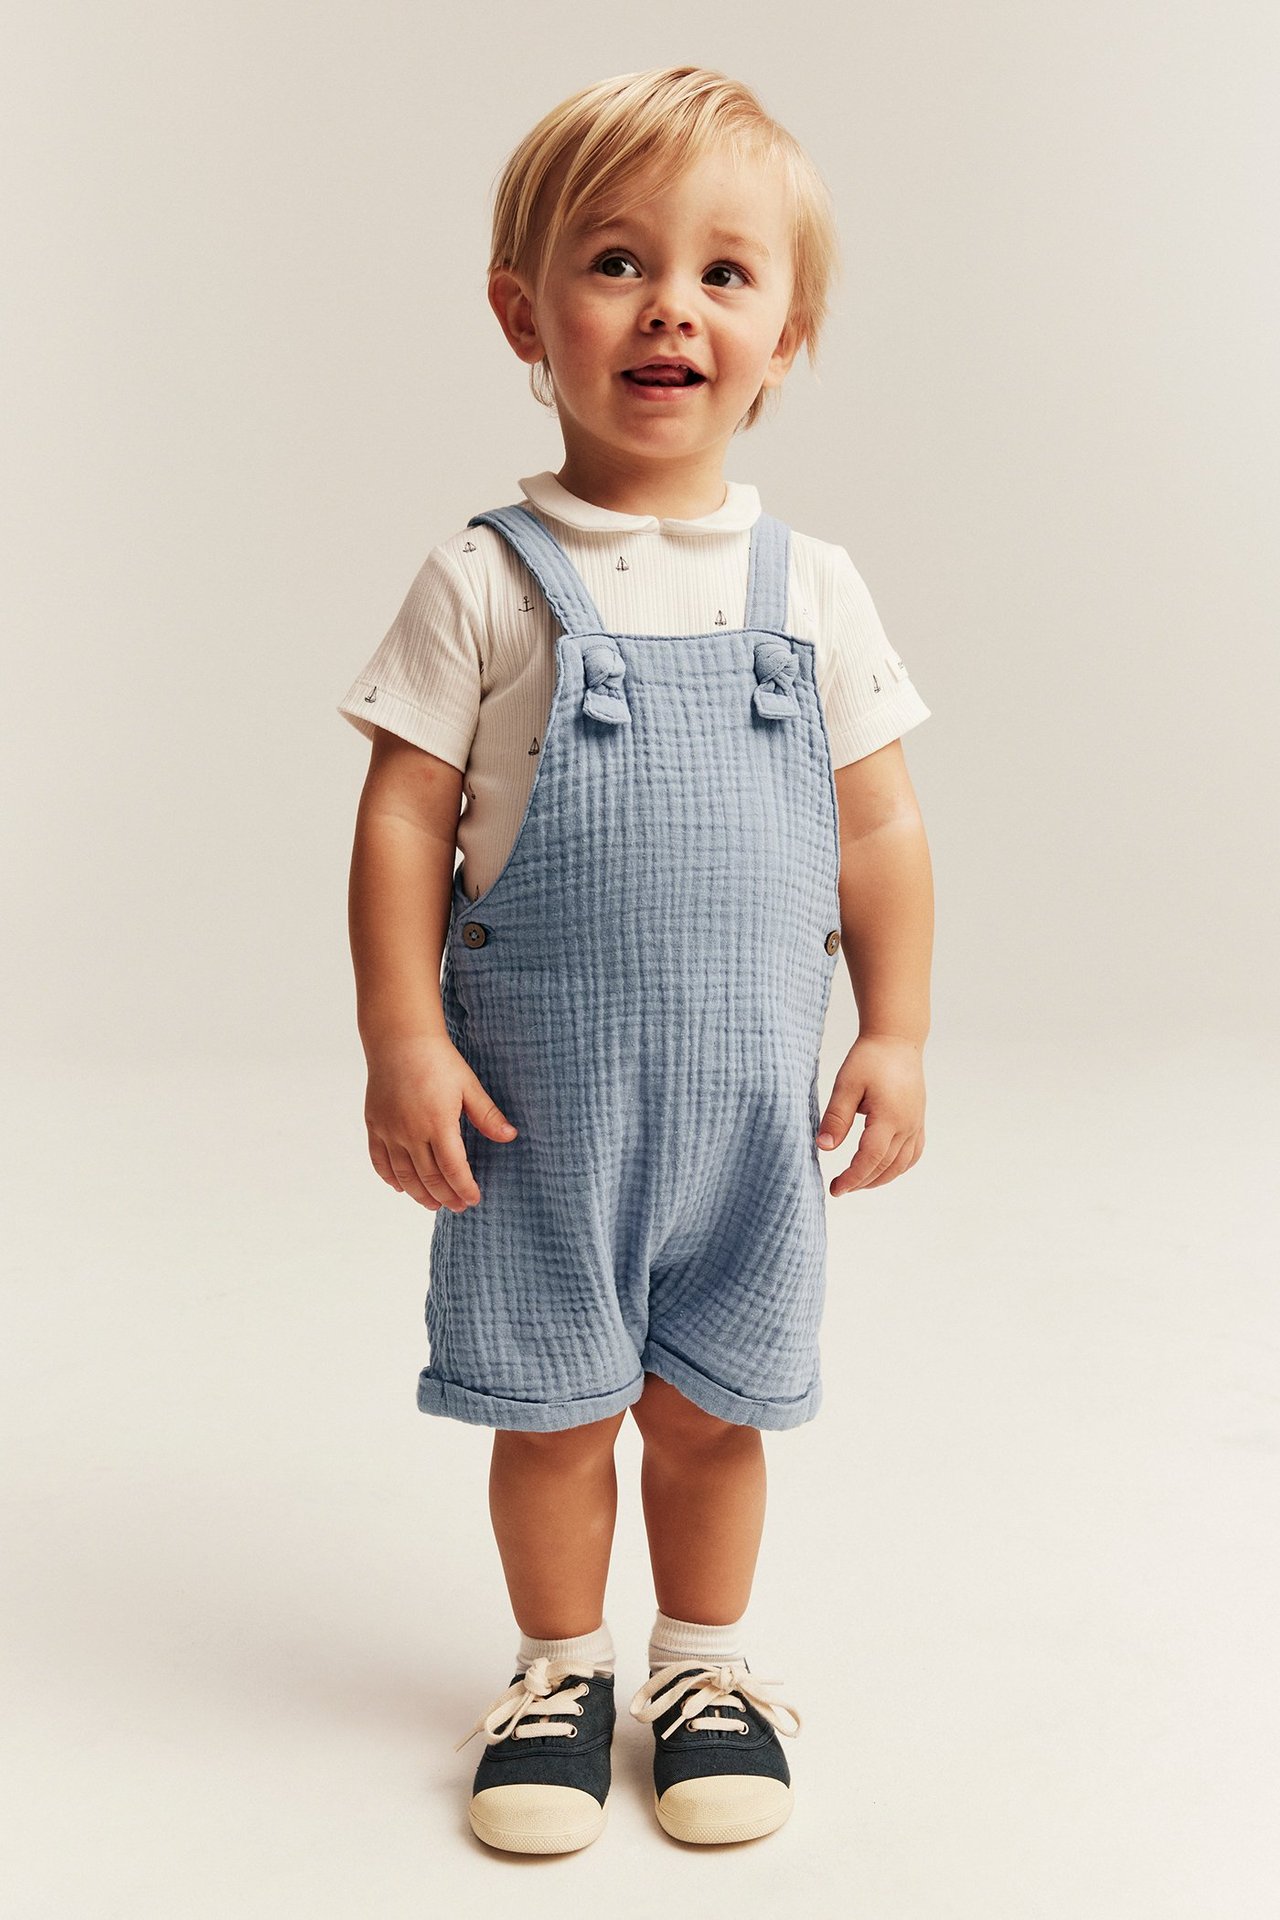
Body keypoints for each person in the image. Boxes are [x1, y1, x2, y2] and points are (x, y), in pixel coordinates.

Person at [337, 65, 934, 1856]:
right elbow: (395, 825)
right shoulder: (487, 578)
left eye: (725, 274)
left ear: (786, 337)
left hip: (750, 1112)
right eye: (616, 260)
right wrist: (400, 1042)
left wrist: (896, 1029)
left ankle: (705, 1666)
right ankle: (551, 1670)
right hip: (535, 1114)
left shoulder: (812, 590)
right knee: (554, 1410)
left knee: (710, 1411)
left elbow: (884, 829)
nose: (671, 302)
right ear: (526, 313)